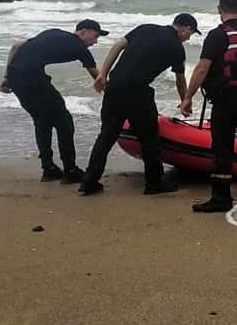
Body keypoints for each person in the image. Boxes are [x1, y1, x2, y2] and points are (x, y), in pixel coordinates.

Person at [78, 14, 202, 196]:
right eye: (190, 34)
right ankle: (154, 183)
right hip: (137, 91)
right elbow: (180, 78)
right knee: (149, 138)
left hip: (115, 86)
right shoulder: (176, 48)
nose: (188, 38)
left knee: (106, 135)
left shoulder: (145, 28)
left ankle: (89, 182)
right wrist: (185, 100)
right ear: (186, 29)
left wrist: (103, 74)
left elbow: (117, 46)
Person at [180, 0, 237, 212]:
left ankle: (221, 198)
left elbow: (202, 68)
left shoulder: (217, 35)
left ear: (219, 10)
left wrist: (187, 97)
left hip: (226, 101)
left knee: (222, 147)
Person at [0, 19, 107, 183]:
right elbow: (98, 78)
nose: (95, 41)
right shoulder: (79, 47)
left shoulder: (53, 32)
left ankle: (48, 168)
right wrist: (115, 94)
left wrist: (7, 78)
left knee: (42, 121)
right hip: (34, 80)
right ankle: (70, 170)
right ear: (83, 31)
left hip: (16, 79)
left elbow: (16, 46)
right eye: (95, 36)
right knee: (64, 123)